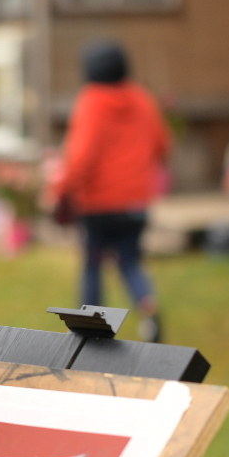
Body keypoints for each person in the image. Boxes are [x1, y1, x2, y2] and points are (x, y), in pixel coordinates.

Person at [50, 39, 172, 342]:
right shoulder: (143, 99)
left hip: (97, 204)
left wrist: (60, 190)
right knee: (130, 261)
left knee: (93, 263)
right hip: (134, 202)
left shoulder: (91, 102)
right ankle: (149, 309)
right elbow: (162, 146)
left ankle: (93, 328)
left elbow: (81, 158)